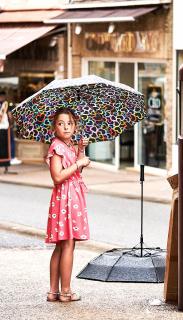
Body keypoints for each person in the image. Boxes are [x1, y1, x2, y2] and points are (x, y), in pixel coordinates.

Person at [45, 107, 90, 303]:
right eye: (61, 123)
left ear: (75, 126)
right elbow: (57, 177)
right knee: (67, 244)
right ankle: (65, 291)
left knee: (62, 245)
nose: (66, 127)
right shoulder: (57, 147)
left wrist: (81, 150)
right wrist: (79, 164)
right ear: (54, 127)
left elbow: (77, 174)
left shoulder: (69, 146)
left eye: (69, 123)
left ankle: (53, 292)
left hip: (71, 197)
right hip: (65, 199)